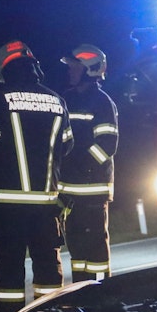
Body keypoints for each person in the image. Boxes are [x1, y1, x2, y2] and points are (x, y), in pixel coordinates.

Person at [0, 40, 72, 312]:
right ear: (34, 67)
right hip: (46, 201)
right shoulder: (56, 100)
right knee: (47, 261)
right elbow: (66, 146)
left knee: (9, 265)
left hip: (9, 203)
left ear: (4, 69)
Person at [58, 44, 118, 282]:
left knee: (95, 249)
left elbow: (107, 145)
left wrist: (79, 167)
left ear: (90, 70)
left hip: (93, 190)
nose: (70, 71)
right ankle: (81, 292)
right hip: (70, 191)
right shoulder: (66, 99)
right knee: (76, 248)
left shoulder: (103, 103)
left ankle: (102, 294)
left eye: (75, 67)